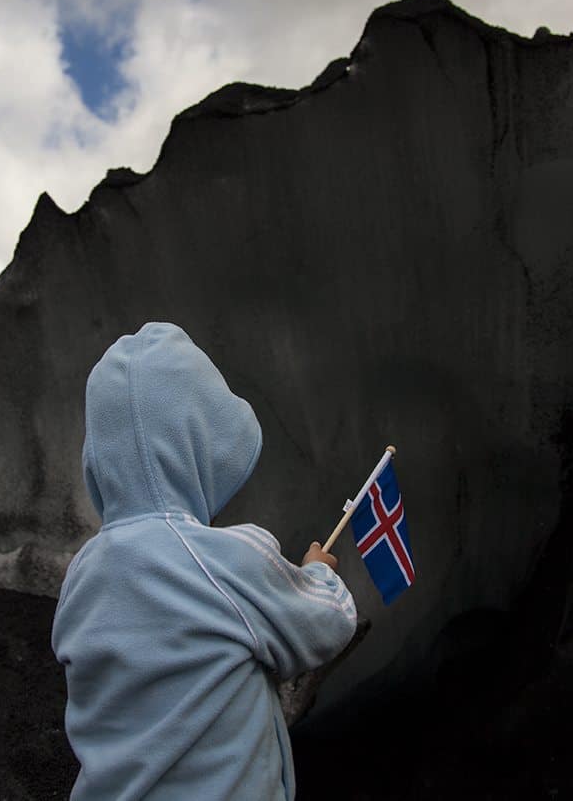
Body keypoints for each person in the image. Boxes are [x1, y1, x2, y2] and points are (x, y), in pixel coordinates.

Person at [52, 322, 358, 800]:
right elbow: (324, 622)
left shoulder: (82, 577)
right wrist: (318, 572)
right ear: (197, 443)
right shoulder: (220, 561)